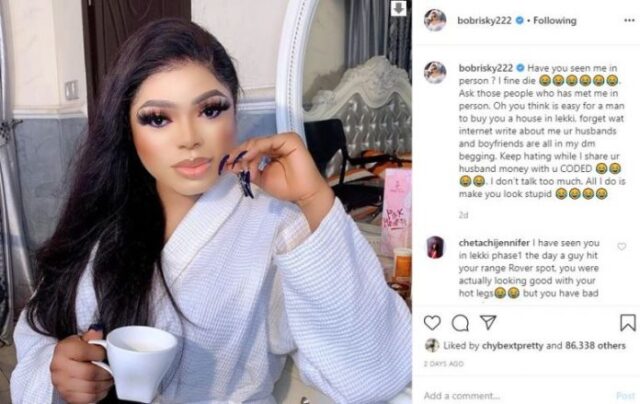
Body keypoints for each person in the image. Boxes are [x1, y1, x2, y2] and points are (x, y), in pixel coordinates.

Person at [10, 18, 411, 404]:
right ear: (126, 127)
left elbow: (373, 373)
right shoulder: (101, 216)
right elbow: (38, 333)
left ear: (234, 110)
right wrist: (57, 372)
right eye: (158, 118)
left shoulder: (277, 227)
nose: (189, 138)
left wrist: (315, 199)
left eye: (210, 110)